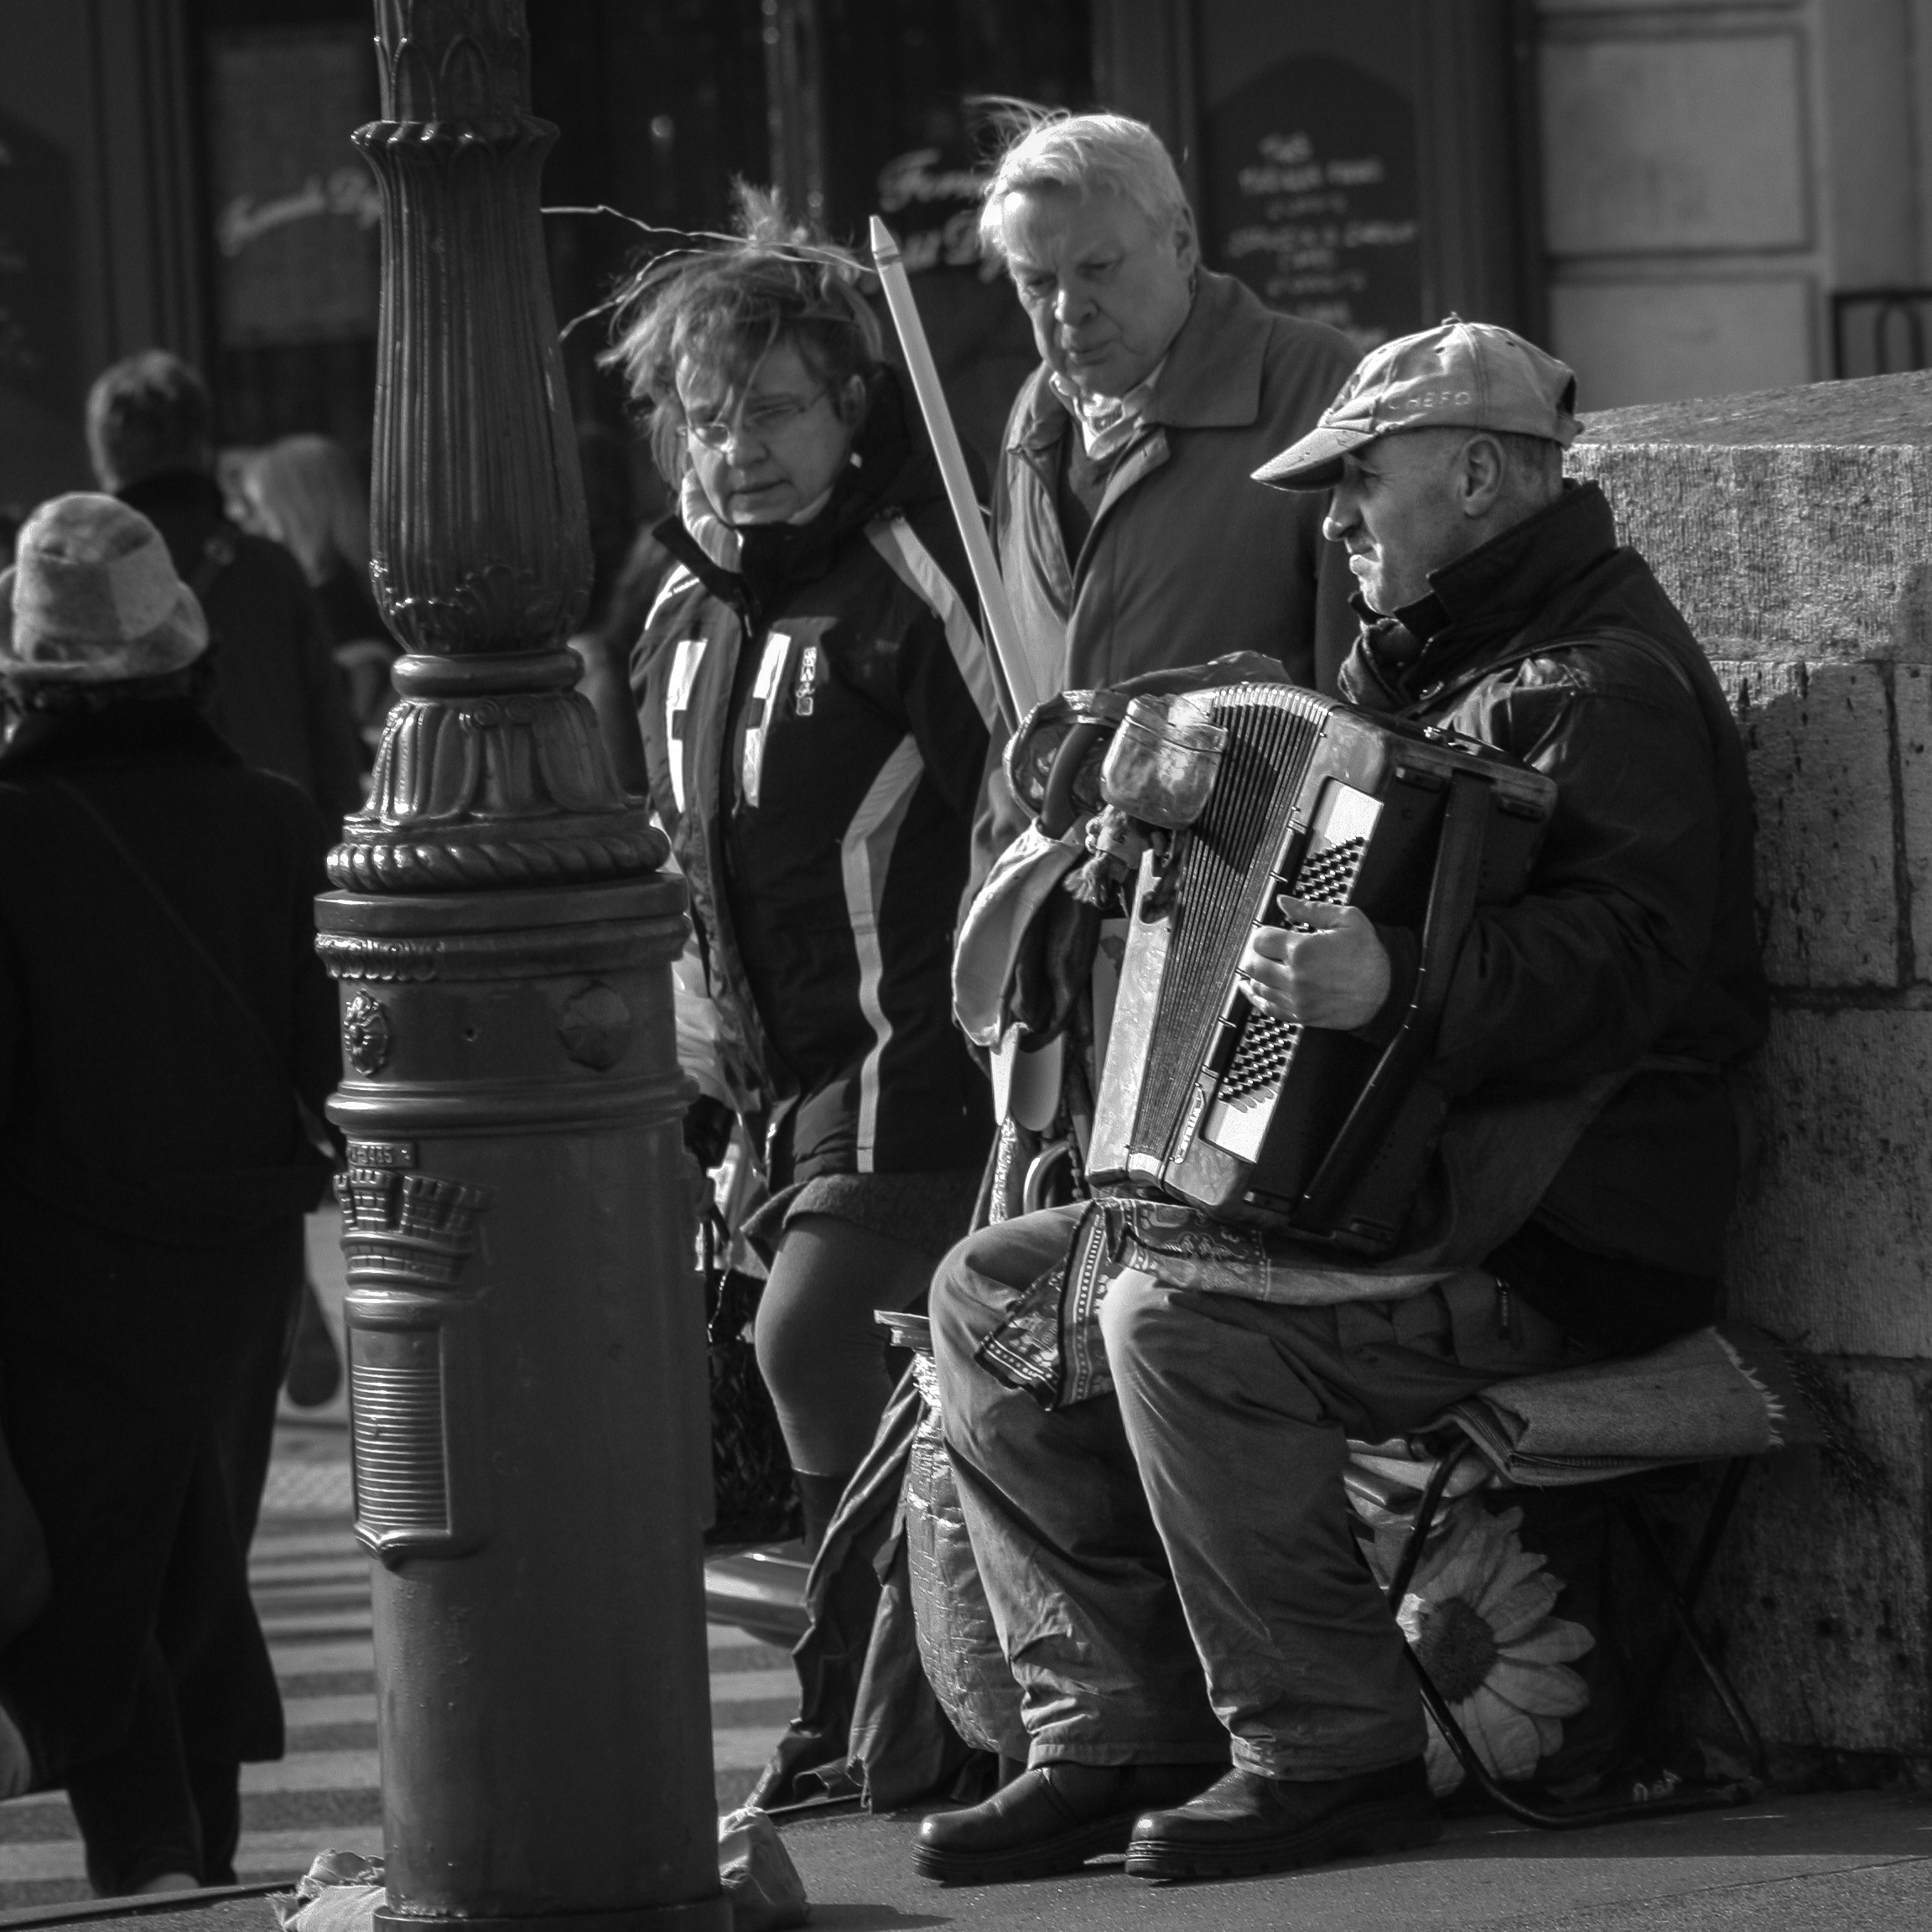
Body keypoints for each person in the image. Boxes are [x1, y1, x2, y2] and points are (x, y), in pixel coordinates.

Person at [917, 320, 1769, 1885]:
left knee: (1173, 1322)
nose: (1330, 521)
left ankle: (1324, 1746)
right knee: (991, 1293)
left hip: (1562, 1223)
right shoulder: (1429, 666)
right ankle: (1116, 1728)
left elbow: (1631, 967)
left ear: (1471, 474)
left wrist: (1399, 984)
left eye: (1355, 484)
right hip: (1416, 1187)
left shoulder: (1602, 682)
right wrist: (1145, 877)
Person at [606, 193, 999, 1555]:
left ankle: (861, 1715)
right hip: (769, 1090)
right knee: (784, 1381)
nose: (736, 449)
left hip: (925, 1074)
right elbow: (684, 860)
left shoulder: (916, 582)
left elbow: (1022, 815)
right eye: (708, 420)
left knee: (811, 1339)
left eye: (770, 410)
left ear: (846, 399)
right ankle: (881, 1710)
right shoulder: (673, 611)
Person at [0, 494, 341, 1893]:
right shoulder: (270, 822)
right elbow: (327, 1065)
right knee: (188, 1550)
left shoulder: (8, 831)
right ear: (186, 656)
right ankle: (178, 1859)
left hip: (56, 1266)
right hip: (233, 1271)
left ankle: (140, 1849)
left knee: (101, 1573)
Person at [973, 107, 1362, 879]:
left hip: (1227, 916)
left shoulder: (1312, 388)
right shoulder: (1036, 413)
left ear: (1181, 242)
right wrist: (985, 907)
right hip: (1060, 918)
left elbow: (1361, 705)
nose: (1068, 310)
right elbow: (1011, 715)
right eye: (1036, 282)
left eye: (1099, 268)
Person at [85, 353, 364, 832]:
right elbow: (334, 756)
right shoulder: (272, 570)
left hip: (129, 868)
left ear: (103, 454)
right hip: (274, 861)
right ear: (201, 444)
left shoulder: (77, 581)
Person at [241, 434, 398, 770]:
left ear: (297, 510)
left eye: (258, 509)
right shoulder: (373, 590)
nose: (250, 526)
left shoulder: (333, 606)